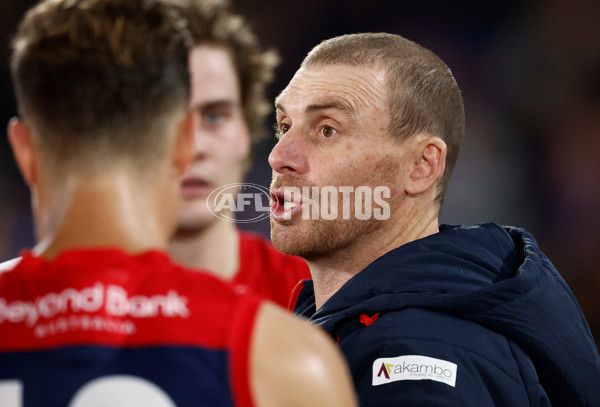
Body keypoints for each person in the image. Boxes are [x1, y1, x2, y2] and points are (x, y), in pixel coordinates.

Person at [0, 1, 357, 406]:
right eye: (189, 118)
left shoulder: (329, 294)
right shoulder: (291, 356)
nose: (201, 148)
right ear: (181, 140)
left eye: (216, 116)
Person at [269, 32, 600, 406]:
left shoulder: (419, 360)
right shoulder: (356, 329)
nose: (279, 155)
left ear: (422, 166)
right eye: (284, 126)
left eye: (327, 129)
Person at [167, 0, 310, 308]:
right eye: (167, 119)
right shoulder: (56, 303)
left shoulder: (315, 294)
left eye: (215, 116)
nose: (194, 148)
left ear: (246, 132)